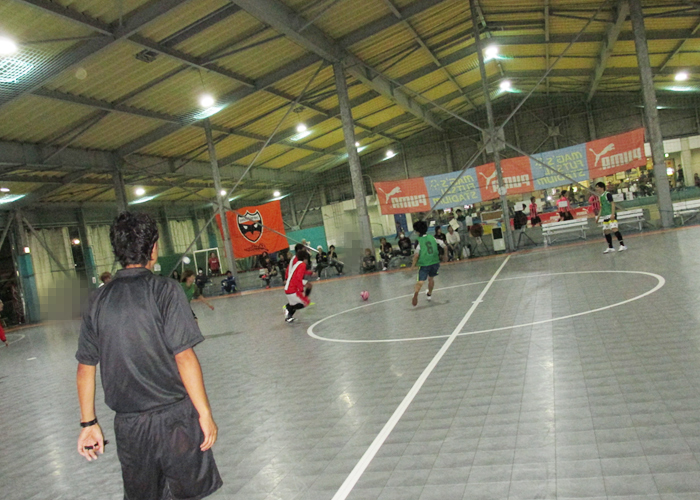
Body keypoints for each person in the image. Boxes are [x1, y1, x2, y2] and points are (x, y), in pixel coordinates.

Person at [75, 212, 222, 500]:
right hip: (176, 420)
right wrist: (204, 413)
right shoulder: (165, 290)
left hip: (130, 428)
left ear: (117, 250)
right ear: (153, 248)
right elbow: (184, 357)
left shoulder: (97, 299)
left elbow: (85, 367)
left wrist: (88, 423)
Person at [411, 220, 446, 307]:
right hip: (435, 262)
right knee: (431, 279)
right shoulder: (432, 237)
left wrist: (413, 266)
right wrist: (446, 255)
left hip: (424, 263)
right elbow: (444, 246)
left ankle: (416, 293)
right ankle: (429, 294)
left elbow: (416, 255)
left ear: (417, 231)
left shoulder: (419, 241)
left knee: (420, 281)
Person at [594, 181, 627, 253]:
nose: (596, 189)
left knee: (614, 229)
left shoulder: (607, 194)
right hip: (605, 216)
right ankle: (610, 247)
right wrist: (598, 217)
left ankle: (622, 245)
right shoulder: (600, 197)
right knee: (606, 231)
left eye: (597, 187)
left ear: (602, 187)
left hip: (610, 214)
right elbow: (601, 207)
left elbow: (612, 204)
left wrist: (612, 214)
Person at [284, 248, 312, 323]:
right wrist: (301, 290)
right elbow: (299, 278)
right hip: (292, 289)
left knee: (295, 303)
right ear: (305, 258)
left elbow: (299, 274)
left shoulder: (297, 264)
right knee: (306, 302)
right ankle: (288, 307)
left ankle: (289, 315)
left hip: (288, 289)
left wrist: (310, 273)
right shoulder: (302, 264)